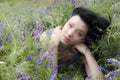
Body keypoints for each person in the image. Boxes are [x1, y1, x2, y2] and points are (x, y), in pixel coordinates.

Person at [39, 7, 110, 80]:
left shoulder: (79, 53)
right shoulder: (47, 36)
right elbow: (47, 75)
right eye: (70, 25)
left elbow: (98, 79)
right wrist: (53, 43)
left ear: (84, 39)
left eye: (79, 33)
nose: (70, 33)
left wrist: (87, 52)